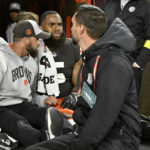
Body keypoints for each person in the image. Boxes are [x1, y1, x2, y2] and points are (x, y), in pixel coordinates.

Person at [26, 4, 141, 150]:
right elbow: (90, 104)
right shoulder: (91, 58)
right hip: (90, 133)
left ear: (81, 28)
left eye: (73, 24)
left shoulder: (113, 64)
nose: (70, 28)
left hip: (117, 140)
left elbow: (103, 118)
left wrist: (76, 145)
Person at [0, 20, 64, 148]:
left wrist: (44, 100)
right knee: (20, 123)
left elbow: (33, 94)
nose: (40, 42)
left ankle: (63, 136)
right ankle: (49, 143)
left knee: (47, 114)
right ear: (26, 41)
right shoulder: (2, 58)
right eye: (37, 39)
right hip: (2, 108)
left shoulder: (32, 64)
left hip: (23, 105)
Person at [102, 0, 150, 96]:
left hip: (131, 66)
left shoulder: (146, 5)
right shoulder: (109, 4)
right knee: (107, 102)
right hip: (107, 64)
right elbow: (100, 31)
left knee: (128, 106)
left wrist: (139, 63)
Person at [35, 10, 80, 112]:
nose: (57, 28)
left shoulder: (73, 46)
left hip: (67, 104)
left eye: (59, 24)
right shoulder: (34, 48)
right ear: (40, 28)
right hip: (41, 104)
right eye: (52, 24)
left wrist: (74, 95)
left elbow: (78, 82)